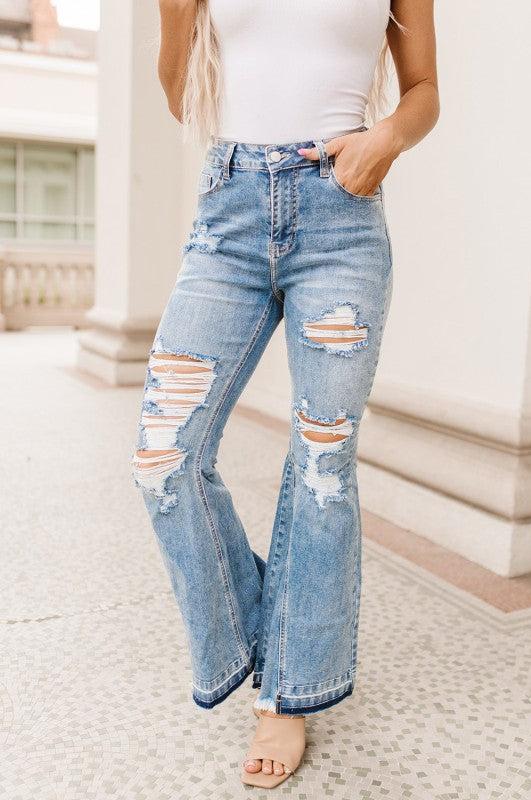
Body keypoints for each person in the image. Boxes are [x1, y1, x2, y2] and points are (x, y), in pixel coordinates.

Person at [132, 0, 439, 789]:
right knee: (164, 457)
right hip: (227, 211)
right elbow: (178, 94)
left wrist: (383, 142)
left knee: (321, 466)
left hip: (340, 220)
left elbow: (423, 90)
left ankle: (286, 696)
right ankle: (274, 639)